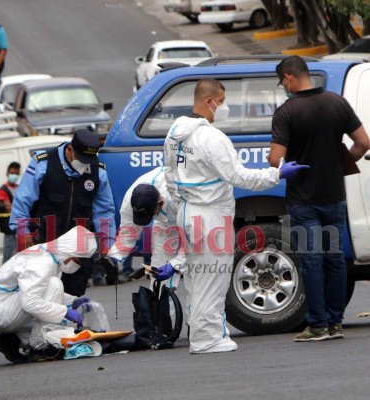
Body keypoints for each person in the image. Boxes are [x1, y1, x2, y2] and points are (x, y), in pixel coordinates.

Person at [158, 78, 308, 354]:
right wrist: (277, 174)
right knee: (212, 279)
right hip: (209, 216)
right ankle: (205, 339)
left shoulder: (174, 133)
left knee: (199, 277)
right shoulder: (211, 138)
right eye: (223, 102)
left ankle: (208, 332)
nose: (224, 108)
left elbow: (169, 177)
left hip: (187, 214)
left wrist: (180, 211)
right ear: (209, 102)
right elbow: (239, 176)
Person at [269, 55, 370, 342]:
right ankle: (336, 323)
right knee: (335, 260)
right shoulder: (336, 102)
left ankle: (317, 325)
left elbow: (275, 158)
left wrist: (278, 160)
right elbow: (363, 143)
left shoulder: (287, 112)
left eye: (282, 82)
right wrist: (341, 165)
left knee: (312, 261)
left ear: (288, 78)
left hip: (303, 200)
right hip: (334, 196)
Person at [9, 129, 116, 296]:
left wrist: (106, 244)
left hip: (76, 248)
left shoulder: (98, 172)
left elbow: (105, 212)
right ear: (70, 150)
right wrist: (23, 232)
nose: (85, 164)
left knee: (73, 294)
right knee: (41, 294)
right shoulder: (43, 163)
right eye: (81, 159)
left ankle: (69, 321)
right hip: (43, 242)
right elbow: (23, 200)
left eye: (88, 160)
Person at [0, 225, 96, 363]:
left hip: (5, 306)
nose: (78, 265)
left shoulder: (48, 256)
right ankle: (40, 347)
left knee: (56, 321)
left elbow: (39, 292)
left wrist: (73, 301)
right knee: (54, 289)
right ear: (69, 251)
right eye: (78, 260)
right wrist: (65, 311)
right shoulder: (41, 263)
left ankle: (12, 341)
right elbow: (30, 303)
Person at [107, 167, 182, 287]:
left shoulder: (177, 197)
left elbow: (196, 238)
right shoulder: (131, 199)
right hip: (164, 223)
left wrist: (176, 264)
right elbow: (128, 233)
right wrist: (114, 257)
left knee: (196, 275)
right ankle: (161, 303)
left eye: (149, 214)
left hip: (190, 216)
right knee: (159, 275)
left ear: (160, 203)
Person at [0, 161, 21, 263]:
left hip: (21, 228)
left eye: (16, 173)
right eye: (12, 173)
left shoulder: (18, 188)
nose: (14, 175)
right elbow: (8, 207)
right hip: (11, 230)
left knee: (21, 257)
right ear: (7, 173)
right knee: (8, 258)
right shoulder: (3, 190)